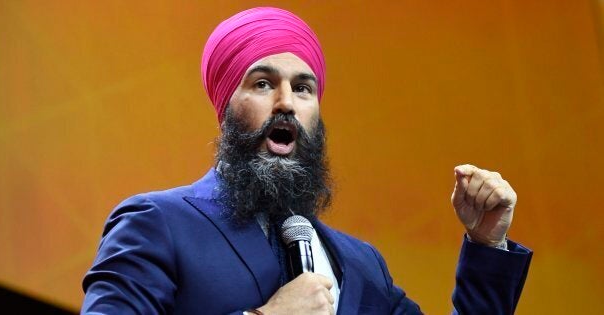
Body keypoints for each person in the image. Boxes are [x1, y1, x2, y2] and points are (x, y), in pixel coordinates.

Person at [82, 7, 532, 315]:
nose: (286, 103)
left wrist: (486, 244)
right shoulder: (158, 223)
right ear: (225, 107)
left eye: (303, 88)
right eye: (262, 84)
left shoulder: (361, 266)